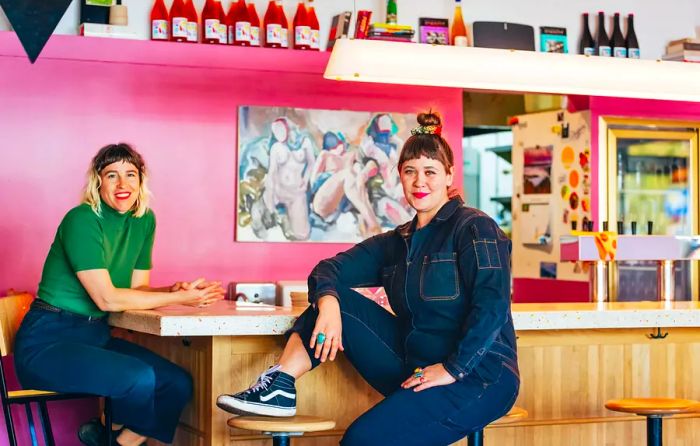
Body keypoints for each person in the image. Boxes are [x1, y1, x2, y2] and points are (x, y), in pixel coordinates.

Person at [216, 112, 519, 445]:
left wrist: (452, 369)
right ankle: (281, 385)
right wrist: (329, 305)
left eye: (430, 172)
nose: (420, 182)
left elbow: (492, 306)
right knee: (333, 299)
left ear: (449, 175)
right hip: (416, 366)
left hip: (479, 376)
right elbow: (326, 269)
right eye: (410, 172)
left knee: (362, 439)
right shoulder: (397, 241)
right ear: (399, 178)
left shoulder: (475, 227)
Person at [14, 143, 225, 446]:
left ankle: (110, 441)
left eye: (130, 174)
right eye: (112, 175)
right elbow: (108, 300)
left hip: (94, 336)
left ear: (141, 180)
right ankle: (106, 435)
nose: (123, 184)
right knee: (137, 378)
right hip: (47, 341)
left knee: (176, 384)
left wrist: (175, 290)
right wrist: (177, 299)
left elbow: (136, 290)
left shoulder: (144, 221)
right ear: (98, 181)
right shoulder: (82, 219)